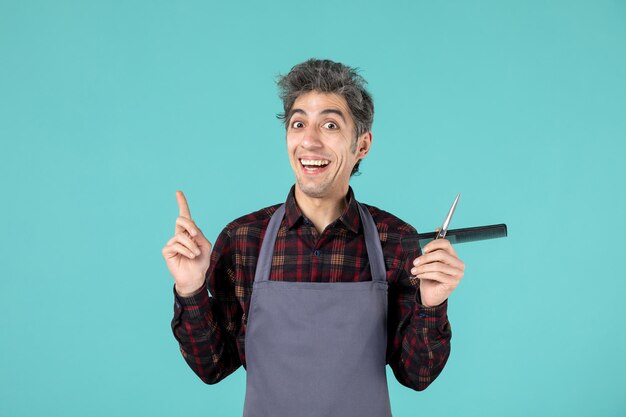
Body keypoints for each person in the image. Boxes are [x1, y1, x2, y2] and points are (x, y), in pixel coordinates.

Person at [162, 58, 465, 417]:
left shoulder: (395, 241)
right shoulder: (243, 240)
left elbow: (417, 375)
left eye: (331, 124)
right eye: (299, 123)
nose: (309, 140)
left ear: (362, 145)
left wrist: (432, 302)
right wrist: (191, 288)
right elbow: (213, 365)